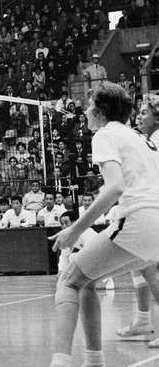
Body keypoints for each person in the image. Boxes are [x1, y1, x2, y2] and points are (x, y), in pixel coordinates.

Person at [49, 83, 159, 367]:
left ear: (99, 110)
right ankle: (94, 361)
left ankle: (59, 362)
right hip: (155, 224)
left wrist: (75, 229)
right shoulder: (138, 138)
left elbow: (115, 187)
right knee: (86, 281)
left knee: (69, 279)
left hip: (137, 219)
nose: (85, 111)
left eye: (88, 105)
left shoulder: (106, 133)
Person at [115, 93, 159, 348]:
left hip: (152, 208)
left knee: (149, 265)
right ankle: (142, 319)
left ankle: (143, 319)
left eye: (144, 113)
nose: (139, 117)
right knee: (142, 261)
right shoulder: (150, 139)